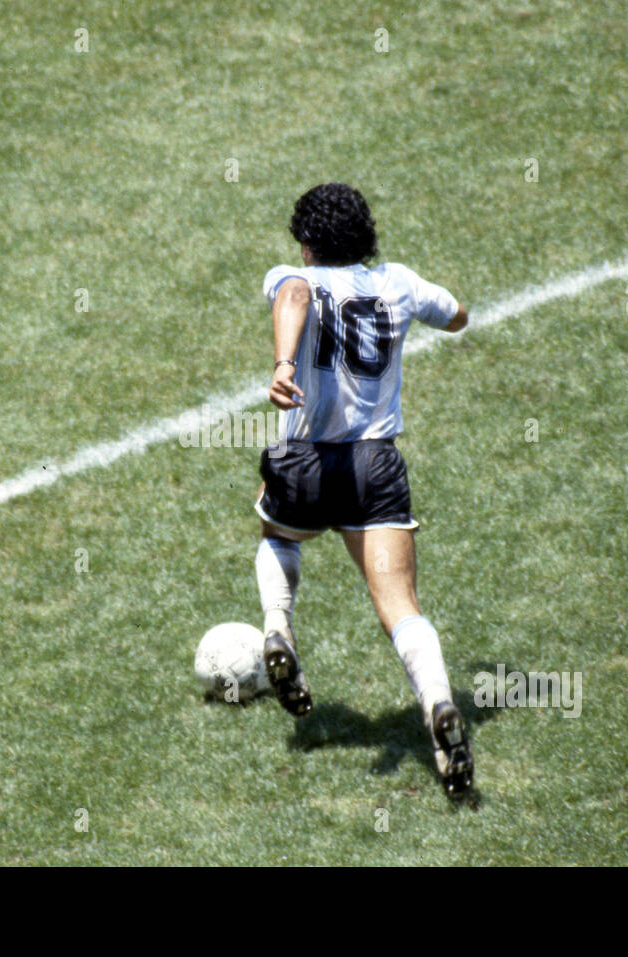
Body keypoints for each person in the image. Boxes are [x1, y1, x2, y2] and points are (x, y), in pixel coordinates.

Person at [253, 182, 474, 797]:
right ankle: (437, 704)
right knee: (399, 603)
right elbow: (457, 315)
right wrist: (440, 315)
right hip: (374, 467)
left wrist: (283, 366)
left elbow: (295, 292)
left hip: (303, 461)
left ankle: (278, 624)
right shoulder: (398, 283)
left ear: (306, 244)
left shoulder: (296, 278)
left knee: (279, 534)